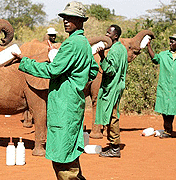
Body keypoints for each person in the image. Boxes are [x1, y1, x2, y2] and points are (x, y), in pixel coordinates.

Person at [11, 1, 99, 179]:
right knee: (70, 151)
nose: (66, 21)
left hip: (63, 105)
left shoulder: (71, 44)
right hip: (74, 103)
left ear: (81, 20)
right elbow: (93, 70)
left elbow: (52, 71)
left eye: (71, 17)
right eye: (64, 17)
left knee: (61, 155)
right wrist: (75, 78)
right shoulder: (83, 43)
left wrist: (24, 61)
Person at [94, 25, 128, 158]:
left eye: (109, 33)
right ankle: (113, 145)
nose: (106, 35)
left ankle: (114, 147)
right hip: (116, 85)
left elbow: (110, 71)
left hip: (112, 87)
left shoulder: (114, 50)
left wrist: (102, 57)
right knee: (111, 114)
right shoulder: (121, 48)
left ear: (115, 36)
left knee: (112, 116)